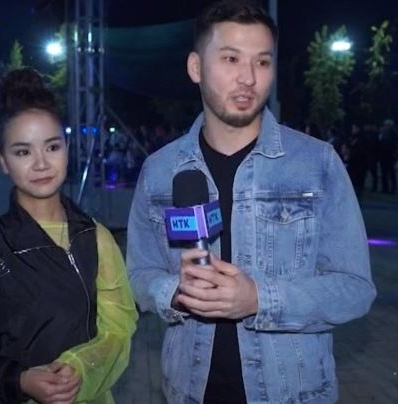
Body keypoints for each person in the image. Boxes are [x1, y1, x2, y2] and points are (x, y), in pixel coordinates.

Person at [126, 2, 376, 403]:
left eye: (262, 62)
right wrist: (174, 291)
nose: (248, 77)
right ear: (195, 67)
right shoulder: (159, 171)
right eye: (230, 59)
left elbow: (355, 288)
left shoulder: (317, 163)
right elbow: (138, 273)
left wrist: (259, 299)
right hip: (188, 392)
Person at [0, 68, 138, 404]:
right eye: (23, 152)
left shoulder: (94, 237)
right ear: (2, 159)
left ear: (67, 148)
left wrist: (81, 367)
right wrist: (16, 380)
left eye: (52, 147)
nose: (41, 163)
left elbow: (118, 328)